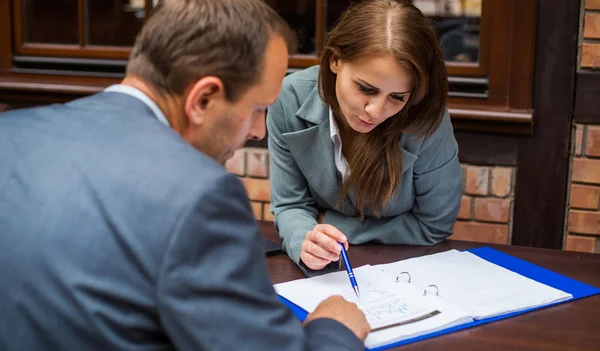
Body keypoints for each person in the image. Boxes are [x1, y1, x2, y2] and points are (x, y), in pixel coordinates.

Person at [0, 0, 370, 350]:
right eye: (258, 109)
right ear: (203, 99)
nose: (259, 130)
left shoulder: (9, 133)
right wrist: (335, 330)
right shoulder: (198, 196)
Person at [267, 0, 462, 276]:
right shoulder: (290, 98)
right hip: (321, 278)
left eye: (397, 97)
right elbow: (290, 204)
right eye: (366, 89)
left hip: (402, 275)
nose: (376, 111)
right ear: (335, 60)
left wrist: (336, 224)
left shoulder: (427, 117)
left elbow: (435, 224)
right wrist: (303, 241)